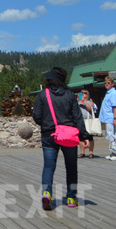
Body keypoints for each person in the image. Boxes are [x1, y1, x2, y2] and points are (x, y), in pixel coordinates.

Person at [33, 67, 91, 210]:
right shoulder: (70, 95)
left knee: (48, 166)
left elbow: (37, 116)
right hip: (68, 136)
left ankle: (47, 193)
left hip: (49, 136)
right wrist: (84, 136)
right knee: (71, 167)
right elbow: (78, 118)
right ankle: (71, 197)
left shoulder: (42, 95)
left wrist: (47, 125)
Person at [77, 90, 98, 158]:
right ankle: (82, 152)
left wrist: (85, 102)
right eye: (82, 93)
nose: (83, 94)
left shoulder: (90, 102)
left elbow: (89, 109)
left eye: (85, 93)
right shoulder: (77, 103)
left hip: (88, 121)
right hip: (80, 121)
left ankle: (91, 152)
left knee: (90, 137)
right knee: (81, 137)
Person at [101, 75, 116, 160]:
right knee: (110, 135)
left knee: (112, 135)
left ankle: (114, 153)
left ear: (112, 84)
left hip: (111, 118)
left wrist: (115, 118)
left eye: (108, 83)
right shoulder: (108, 93)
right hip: (107, 118)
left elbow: (115, 106)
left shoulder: (113, 93)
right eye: (105, 83)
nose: (106, 84)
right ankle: (112, 152)